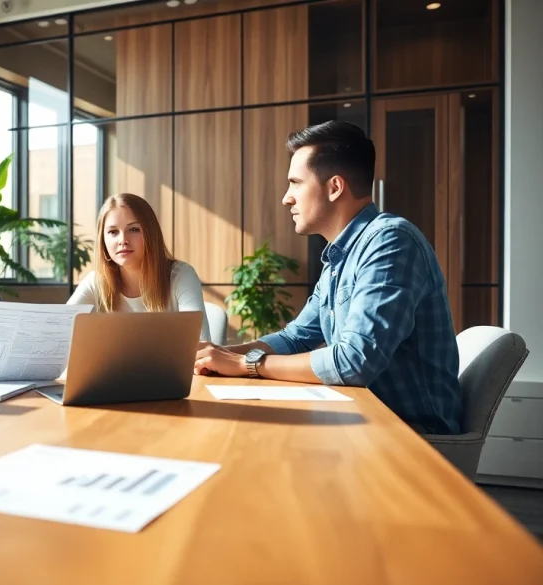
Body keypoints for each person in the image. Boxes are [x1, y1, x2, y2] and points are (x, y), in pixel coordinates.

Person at [194, 120, 462, 435]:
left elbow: (354, 362)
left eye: (295, 183)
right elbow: (295, 338)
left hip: (412, 435)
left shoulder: (390, 241)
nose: (286, 198)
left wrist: (244, 365)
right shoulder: (341, 256)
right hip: (362, 421)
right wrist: (218, 354)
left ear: (334, 187)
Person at [67, 193, 211, 341]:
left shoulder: (181, 276)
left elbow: (201, 345)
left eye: (134, 229)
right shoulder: (96, 281)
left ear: (151, 233)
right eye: (113, 232)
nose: (123, 240)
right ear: (103, 241)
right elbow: (59, 332)